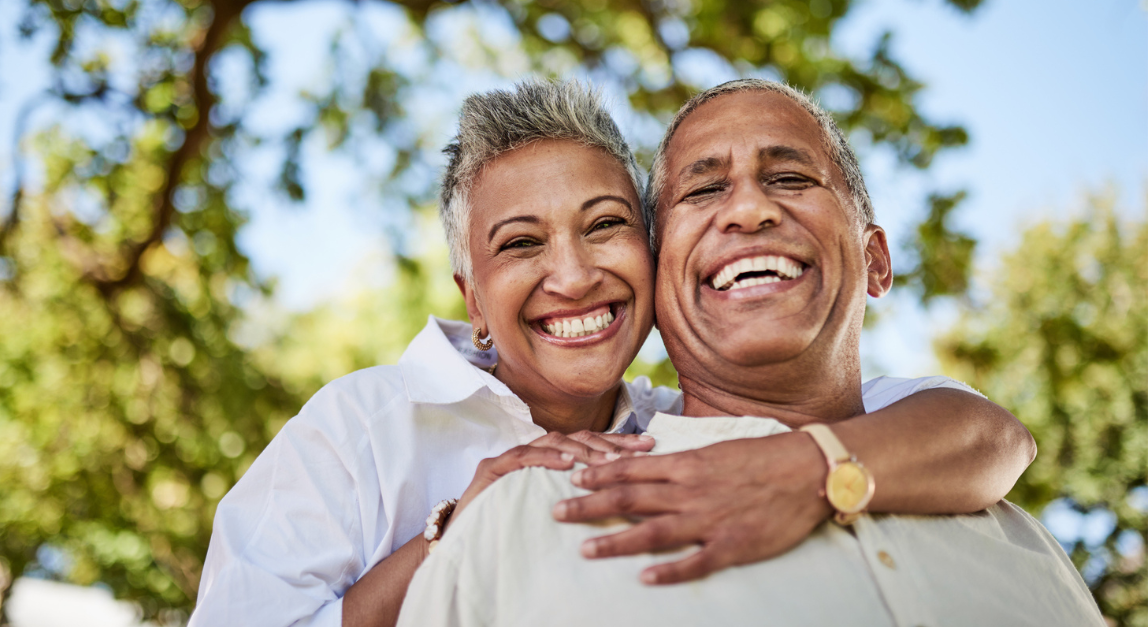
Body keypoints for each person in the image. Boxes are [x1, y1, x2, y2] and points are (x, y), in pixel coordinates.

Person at [189, 80, 1037, 627]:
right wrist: (453, 528)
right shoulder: (367, 423)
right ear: (472, 298)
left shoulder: (688, 423)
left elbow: (983, 433)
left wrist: (805, 469)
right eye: (521, 244)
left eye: (605, 226)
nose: (573, 273)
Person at [394, 79, 1104, 627]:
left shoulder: (1016, 535)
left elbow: (995, 432)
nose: (748, 210)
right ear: (654, 267)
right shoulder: (524, 519)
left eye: (790, 177)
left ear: (877, 260)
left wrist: (817, 468)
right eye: (703, 190)